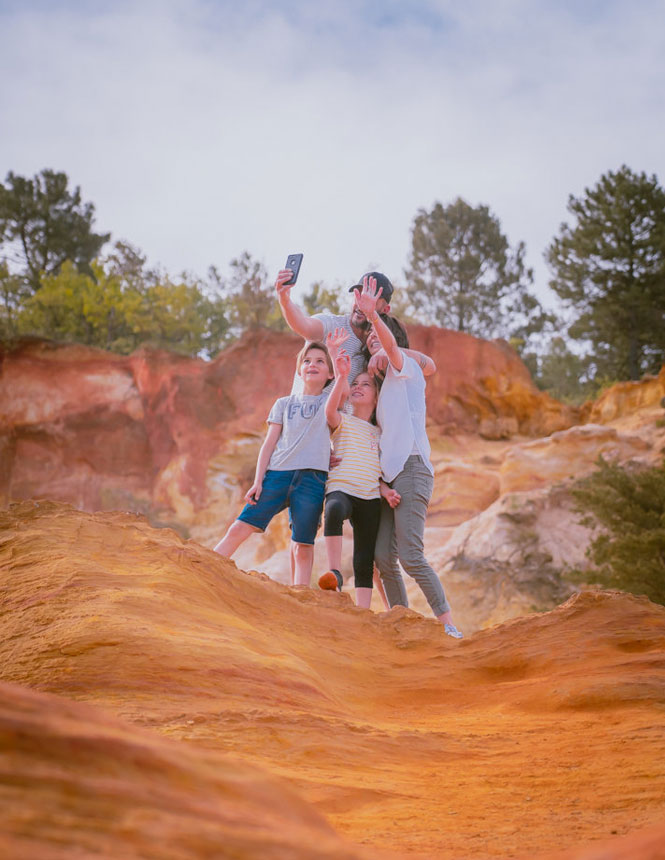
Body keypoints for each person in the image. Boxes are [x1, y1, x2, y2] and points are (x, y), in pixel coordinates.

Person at [355, 277, 463, 639]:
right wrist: (382, 485)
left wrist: (375, 321)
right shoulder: (382, 392)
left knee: (410, 556)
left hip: (414, 470)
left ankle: (448, 626)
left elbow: (396, 349)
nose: (374, 345)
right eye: (369, 344)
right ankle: (401, 623)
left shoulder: (406, 371)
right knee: (383, 558)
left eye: (379, 339)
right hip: (389, 479)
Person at [213, 340, 334, 586]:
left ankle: (300, 595)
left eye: (320, 361)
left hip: (312, 481)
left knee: (302, 545)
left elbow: (343, 385)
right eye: (307, 361)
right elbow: (268, 445)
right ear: (299, 371)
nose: (312, 365)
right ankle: (204, 569)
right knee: (239, 528)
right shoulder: (283, 404)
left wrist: (339, 357)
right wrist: (258, 481)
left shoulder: (329, 402)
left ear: (330, 374)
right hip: (277, 475)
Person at [320, 348, 399, 608]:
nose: (358, 387)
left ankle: (363, 609)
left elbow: (377, 470)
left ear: (377, 398)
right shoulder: (343, 420)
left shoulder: (380, 432)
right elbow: (328, 411)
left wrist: (386, 490)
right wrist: (342, 376)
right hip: (341, 488)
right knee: (333, 511)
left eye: (366, 384)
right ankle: (334, 573)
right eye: (355, 384)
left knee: (365, 556)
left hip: (369, 497)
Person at [275, 267, 394, 386]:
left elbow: (407, 358)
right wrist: (284, 300)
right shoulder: (331, 324)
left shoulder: (379, 344)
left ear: (385, 309)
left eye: (371, 300)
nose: (361, 304)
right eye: (359, 296)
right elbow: (302, 325)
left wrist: (386, 352)